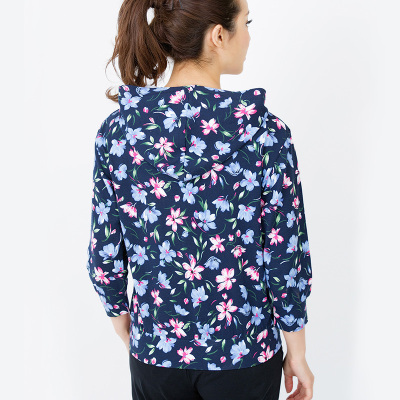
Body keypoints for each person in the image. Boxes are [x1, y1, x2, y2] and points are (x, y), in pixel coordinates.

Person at [85, 0, 315, 399]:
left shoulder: (118, 132)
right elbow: (284, 255)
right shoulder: (266, 134)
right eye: (246, 22)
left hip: (156, 350)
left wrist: (126, 325)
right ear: (218, 35)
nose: (249, 36)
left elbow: (105, 252)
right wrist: (297, 351)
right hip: (245, 351)